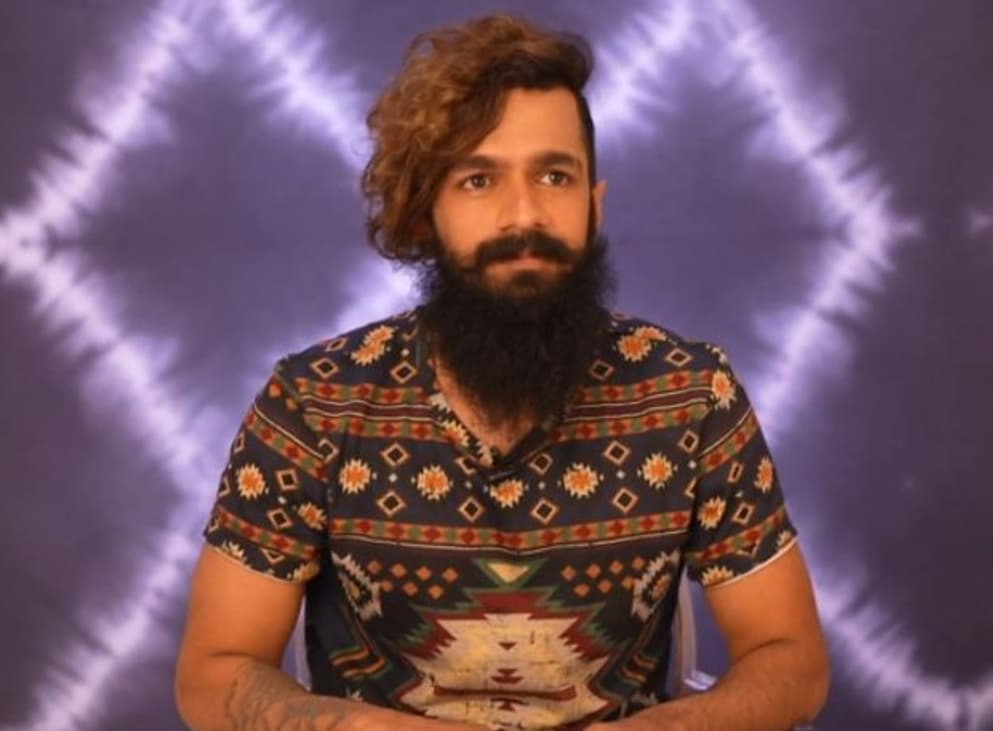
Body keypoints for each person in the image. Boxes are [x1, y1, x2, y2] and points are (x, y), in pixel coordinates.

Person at [175, 13, 829, 731]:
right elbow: (213, 675)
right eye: (478, 179)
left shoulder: (691, 395)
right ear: (423, 214)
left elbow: (792, 660)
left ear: (593, 205)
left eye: (555, 175)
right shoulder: (314, 404)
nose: (524, 216)